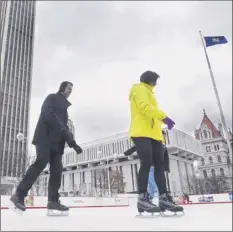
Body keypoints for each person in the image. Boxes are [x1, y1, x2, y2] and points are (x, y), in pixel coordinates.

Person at [10, 81, 83, 215]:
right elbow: (50, 116)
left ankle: (53, 201)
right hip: (45, 138)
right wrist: (65, 131)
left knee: (57, 169)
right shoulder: (51, 98)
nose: (69, 92)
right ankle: (19, 195)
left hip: (57, 143)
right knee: (41, 162)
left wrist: (73, 143)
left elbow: (64, 127)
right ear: (61, 88)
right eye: (68, 89)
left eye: (71, 91)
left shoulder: (64, 109)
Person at [128, 70, 183, 214]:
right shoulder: (139, 89)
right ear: (151, 81)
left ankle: (164, 198)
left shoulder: (149, 93)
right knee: (146, 163)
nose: (156, 85)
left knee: (160, 165)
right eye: (155, 82)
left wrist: (160, 132)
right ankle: (142, 198)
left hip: (154, 134)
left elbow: (151, 113)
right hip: (141, 132)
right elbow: (145, 107)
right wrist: (164, 117)